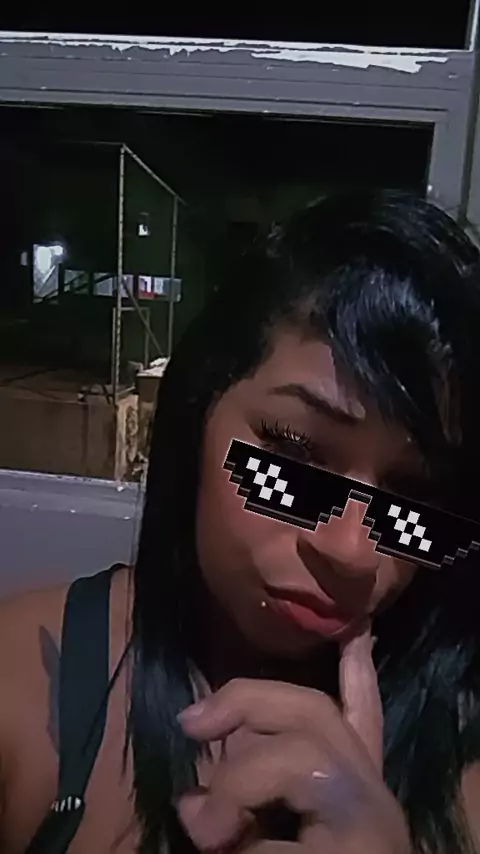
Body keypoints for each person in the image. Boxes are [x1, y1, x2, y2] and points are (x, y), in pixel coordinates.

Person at [1, 189, 480, 854]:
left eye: (415, 497)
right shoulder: (19, 680)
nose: (353, 550)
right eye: (294, 452)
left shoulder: (463, 760)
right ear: (196, 412)